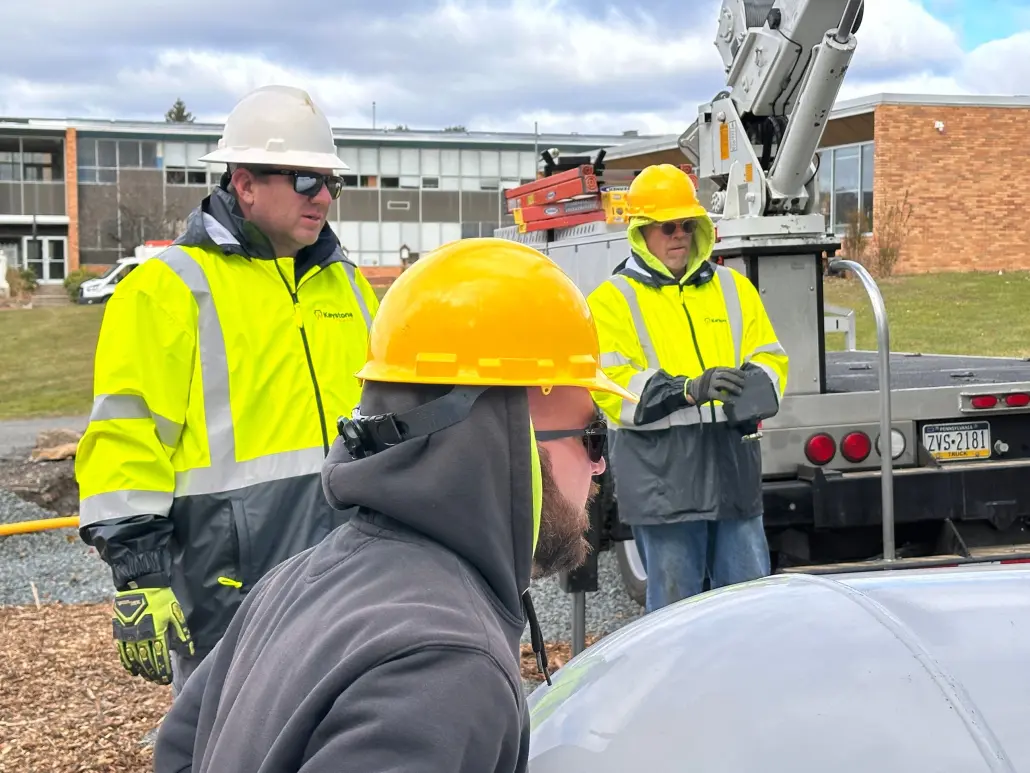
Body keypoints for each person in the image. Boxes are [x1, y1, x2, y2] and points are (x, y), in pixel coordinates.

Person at [151, 237, 639, 773]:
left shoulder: (295, 581)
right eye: (593, 435)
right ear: (503, 441)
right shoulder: (444, 666)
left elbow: (179, 748)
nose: (599, 467)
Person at [73, 84, 380, 693]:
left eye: (330, 183)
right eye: (303, 180)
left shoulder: (347, 287)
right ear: (244, 183)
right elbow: (126, 435)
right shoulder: (166, 289)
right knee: (228, 740)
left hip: (351, 565)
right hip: (229, 584)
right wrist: (139, 575)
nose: (322, 196)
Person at [587, 163, 789, 613]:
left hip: (731, 469)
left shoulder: (734, 288)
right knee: (676, 614)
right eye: (667, 226)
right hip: (663, 480)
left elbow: (771, 358)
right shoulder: (611, 301)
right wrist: (686, 390)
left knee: (751, 605)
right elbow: (611, 387)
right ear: (642, 232)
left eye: (687, 224)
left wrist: (753, 388)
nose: (679, 235)